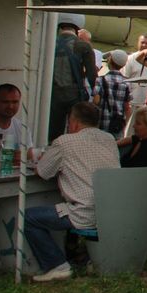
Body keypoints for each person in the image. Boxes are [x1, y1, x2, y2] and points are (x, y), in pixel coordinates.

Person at [23, 101, 119, 281]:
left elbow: (42, 172)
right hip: (111, 211)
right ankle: (84, 257)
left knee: (29, 218)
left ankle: (56, 264)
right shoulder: (109, 139)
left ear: (73, 122)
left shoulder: (64, 142)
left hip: (83, 213)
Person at [49, 14, 97, 143]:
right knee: (76, 132)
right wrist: (95, 93)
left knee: (53, 134)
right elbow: (92, 75)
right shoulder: (83, 46)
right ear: (78, 26)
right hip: (74, 95)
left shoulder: (50, 43)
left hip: (52, 95)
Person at [92, 50, 132, 140]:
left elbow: (96, 101)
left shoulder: (100, 80)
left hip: (101, 124)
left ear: (110, 61)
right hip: (117, 126)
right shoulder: (127, 82)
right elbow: (127, 108)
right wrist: (124, 124)